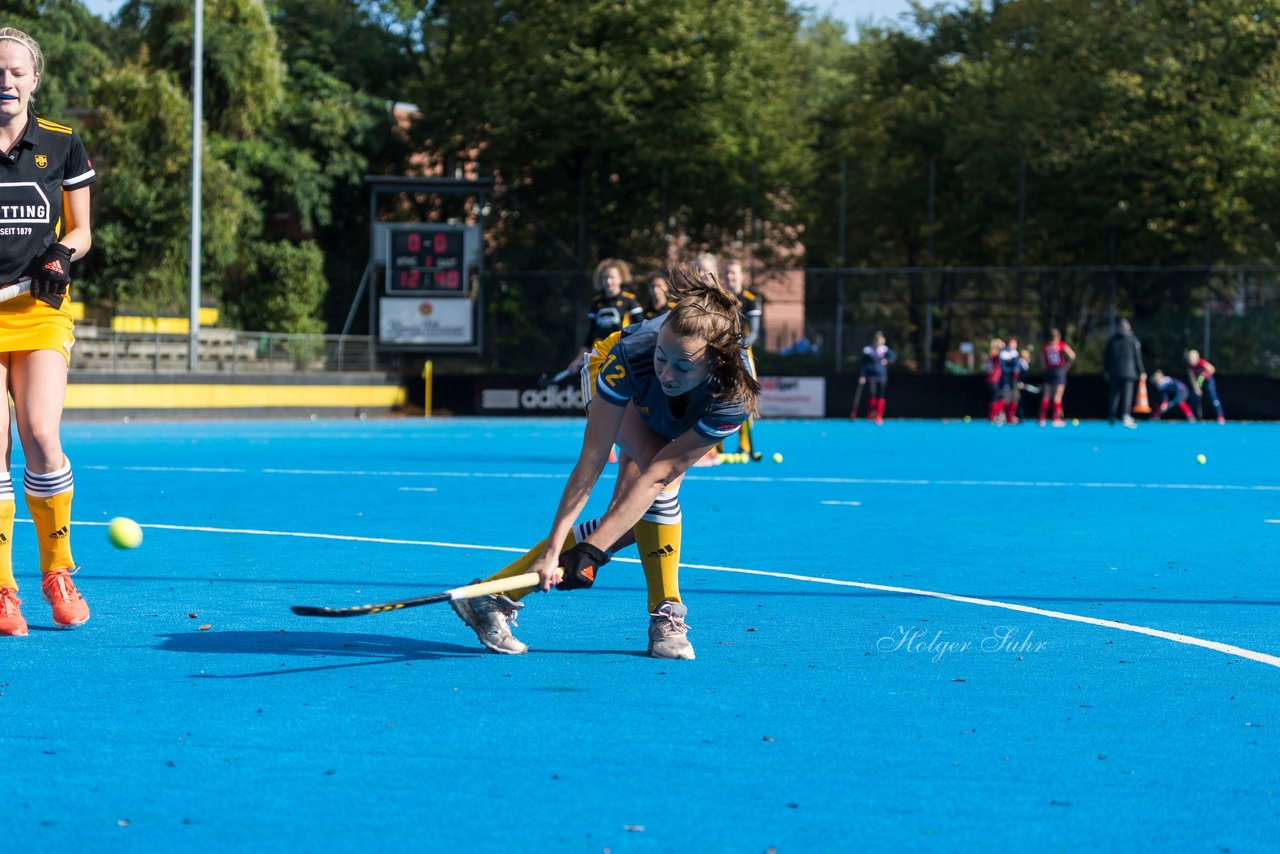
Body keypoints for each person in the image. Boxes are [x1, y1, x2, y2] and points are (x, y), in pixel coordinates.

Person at [450, 266, 760, 659]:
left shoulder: (733, 397)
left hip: (681, 405)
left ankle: (492, 594)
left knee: (634, 515)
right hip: (615, 375)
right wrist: (556, 550)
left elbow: (660, 473)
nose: (666, 372)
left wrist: (594, 550)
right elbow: (592, 459)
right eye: (663, 357)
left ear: (715, 364)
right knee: (652, 498)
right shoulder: (633, 356)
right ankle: (666, 612)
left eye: (682, 366)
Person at [0, 27, 96, 636]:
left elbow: (82, 231)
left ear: (35, 79)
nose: (3, 82)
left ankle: (57, 572)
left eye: (14, 72)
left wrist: (61, 254)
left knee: (39, 432)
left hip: (38, 311)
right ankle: (2, 589)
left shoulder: (61, 144)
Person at [560, 258, 643, 377]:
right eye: (605, 278)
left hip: (622, 358)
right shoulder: (596, 303)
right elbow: (590, 336)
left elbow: (642, 329)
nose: (609, 281)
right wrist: (577, 360)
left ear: (620, 278)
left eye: (612, 277)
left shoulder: (629, 300)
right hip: (599, 358)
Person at [721, 258, 762, 457]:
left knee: (745, 399)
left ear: (741, 276)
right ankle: (715, 447)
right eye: (727, 273)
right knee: (718, 396)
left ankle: (744, 446)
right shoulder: (718, 297)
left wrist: (740, 347)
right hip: (720, 354)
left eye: (734, 273)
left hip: (743, 355)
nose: (731, 277)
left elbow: (753, 332)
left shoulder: (750, 299)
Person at [1103, 318, 1145, 428]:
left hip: (1114, 372)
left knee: (1114, 395)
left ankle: (1112, 416)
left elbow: (1106, 357)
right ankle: (1125, 415)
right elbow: (1138, 357)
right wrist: (1141, 371)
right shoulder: (1133, 340)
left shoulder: (1112, 340)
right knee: (1127, 395)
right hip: (1128, 373)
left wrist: (1106, 370)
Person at [853, 330, 896, 424]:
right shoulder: (868, 350)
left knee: (881, 395)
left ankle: (879, 415)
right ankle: (871, 412)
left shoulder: (885, 349)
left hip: (882, 376)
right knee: (872, 393)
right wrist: (862, 376)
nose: (878, 342)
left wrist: (887, 361)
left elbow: (893, 357)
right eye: (876, 340)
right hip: (871, 376)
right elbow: (863, 364)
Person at [1038, 328, 1077, 426]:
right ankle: (1056, 419)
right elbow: (1072, 356)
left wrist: (1046, 369)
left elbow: (1042, 362)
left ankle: (1042, 418)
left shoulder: (1045, 347)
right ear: (1058, 337)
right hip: (1059, 371)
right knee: (1057, 396)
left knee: (1046, 395)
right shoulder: (1061, 345)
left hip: (1049, 371)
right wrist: (1067, 366)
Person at [1185, 349, 1225, 424]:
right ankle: (1192, 417)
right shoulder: (1189, 367)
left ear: (1197, 358)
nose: (1191, 361)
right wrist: (1196, 388)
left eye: (1193, 359)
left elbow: (1212, 369)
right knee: (1193, 397)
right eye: (1190, 359)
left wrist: (1204, 374)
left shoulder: (1202, 362)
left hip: (1208, 381)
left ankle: (1220, 416)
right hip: (1199, 382)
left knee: (1213, 397)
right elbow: (1192, 378)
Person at [995, 336, 1023, 424]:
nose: (1013, 345)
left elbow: (1018, 367)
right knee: (1006, 398)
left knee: (1014, 398)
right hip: (1006, 379)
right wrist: (1012, 370)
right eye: (1011, 342)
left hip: (1014, 380)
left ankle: (1010, 416)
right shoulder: (1003, 354)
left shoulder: (1016, 353)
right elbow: (1003, 368)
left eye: (1014, 343)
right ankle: (999, 415)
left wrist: (1018, 376)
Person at [985, 337, 1005, 423]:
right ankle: (993, 416)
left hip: (992, 379)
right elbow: (1003, 347)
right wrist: (998, 343)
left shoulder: (991, 354)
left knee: (997, 397)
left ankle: (994, 415)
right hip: (994, 379)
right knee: (995, 397)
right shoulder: (995, 355)